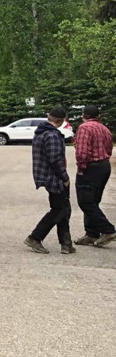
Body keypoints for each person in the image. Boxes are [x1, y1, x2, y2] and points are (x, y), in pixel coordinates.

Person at [25, 107, 74, 254]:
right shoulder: (51, 135)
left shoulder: (42, 132)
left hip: (46, 175)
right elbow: (55, 159)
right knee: (60, 209)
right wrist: (64, 177)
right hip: (53, 177)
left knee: (63, 207)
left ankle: (66, 243)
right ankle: (35, 237)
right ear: (61, 120)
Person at [73, 105, 115, 247]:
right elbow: (109, 149)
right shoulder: (105, 129)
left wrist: (81, 168)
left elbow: (82, 153)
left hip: (91, 168)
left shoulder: (85, 128)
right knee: (93, 200)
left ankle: (108, 230)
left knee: (85, 201)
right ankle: (91, 233)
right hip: (104, 166)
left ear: (83, 114)